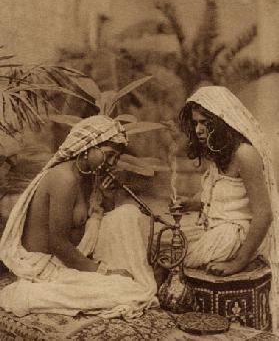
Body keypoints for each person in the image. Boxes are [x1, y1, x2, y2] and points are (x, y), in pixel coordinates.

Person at [0, 115, 158, 318]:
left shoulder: (87, 176)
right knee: (130, 291)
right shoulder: (64, 179)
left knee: (128, 214)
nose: (112, 163)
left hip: (72, 258)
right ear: (87, 148)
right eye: (109, 155)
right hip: (46, 267)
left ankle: (111, 280)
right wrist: (102, 272)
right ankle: (28, 294)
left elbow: (97, 226)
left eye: (116, 158)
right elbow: (58, 244)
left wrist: (108, 199)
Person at [176, 86, 279, 330]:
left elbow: (264, 215)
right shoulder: (220, 153)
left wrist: (238, 263)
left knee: (177, 255)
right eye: (195, 123)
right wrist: (190, 203)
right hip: (216, 228)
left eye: (205, 123)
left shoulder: (245, 154)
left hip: (235, 235)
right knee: (164, 240)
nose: (199, 129)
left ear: (222, 121)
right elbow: (221, 198)